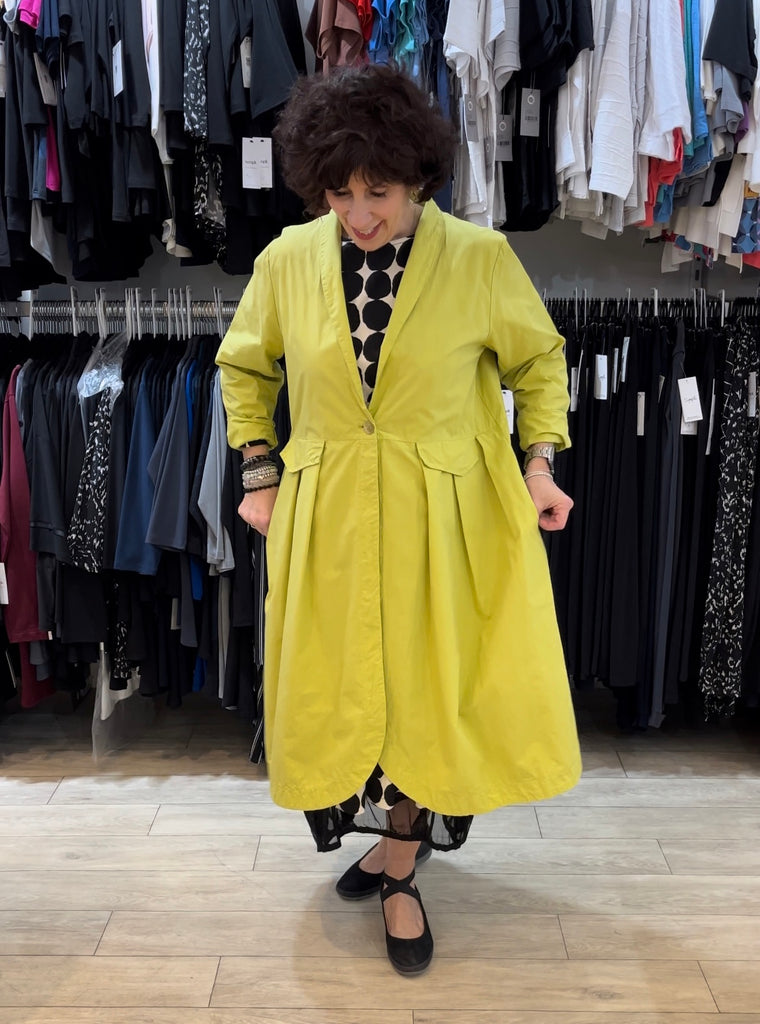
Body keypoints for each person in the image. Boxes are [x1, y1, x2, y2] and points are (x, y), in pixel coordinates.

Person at [216, 64, 582, 976]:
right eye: (339, 193)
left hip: (447, 517)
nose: (358, 214)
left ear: (418, 177)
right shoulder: (288, 260)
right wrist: (259, 473)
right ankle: (386, 850)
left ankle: (402, 866)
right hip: (329, 516)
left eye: (377, 192)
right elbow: (245, 366)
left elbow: (539, 364)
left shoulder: (479, 258)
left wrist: (539, 464)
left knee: (424, 690)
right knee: (346, 685)